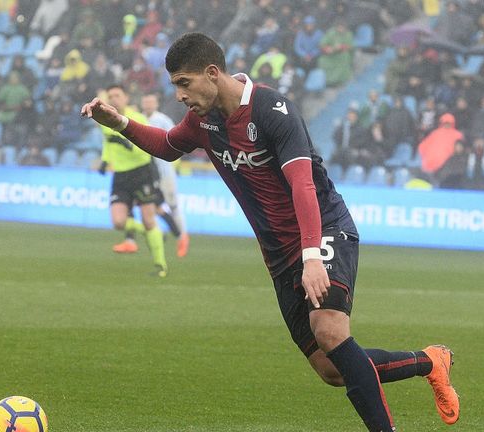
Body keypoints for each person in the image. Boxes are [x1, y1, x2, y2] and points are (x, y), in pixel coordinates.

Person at [81, 32, 460, 431]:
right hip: (279, 255)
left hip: (324, 229)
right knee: (332, 370)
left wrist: (312, 256)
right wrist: (120, 123)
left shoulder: (273, 110)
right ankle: (429, 361)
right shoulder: (202, 120)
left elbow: (303, 184)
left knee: (330, 331)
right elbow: (168, 145)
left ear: (212, 73)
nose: (178, 94)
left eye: (183, 83)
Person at [98, 85, 168, 277]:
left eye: (117, 95)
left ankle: (160, 265)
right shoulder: (104, 119)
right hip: (120, 175)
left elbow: (146, 147)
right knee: (118, 222)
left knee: (148, 219)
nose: (113, 99)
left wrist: (125, 143)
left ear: (126, 98)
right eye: (110, 95)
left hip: (141, 172)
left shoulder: (137, 119)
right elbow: (107, 141)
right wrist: (105, 160)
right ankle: (153, 233)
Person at [140, 93, 190, 258]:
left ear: (156, 103)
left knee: (173, 205)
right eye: (145, 101)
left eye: (150, 101)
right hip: (147, 172)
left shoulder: (162, 120)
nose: (148, 104)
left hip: (165, 171)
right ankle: (163, 234)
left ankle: (183, 236)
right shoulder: (139, 119)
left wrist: (176, 164)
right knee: (151, 206)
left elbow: (176, 139)